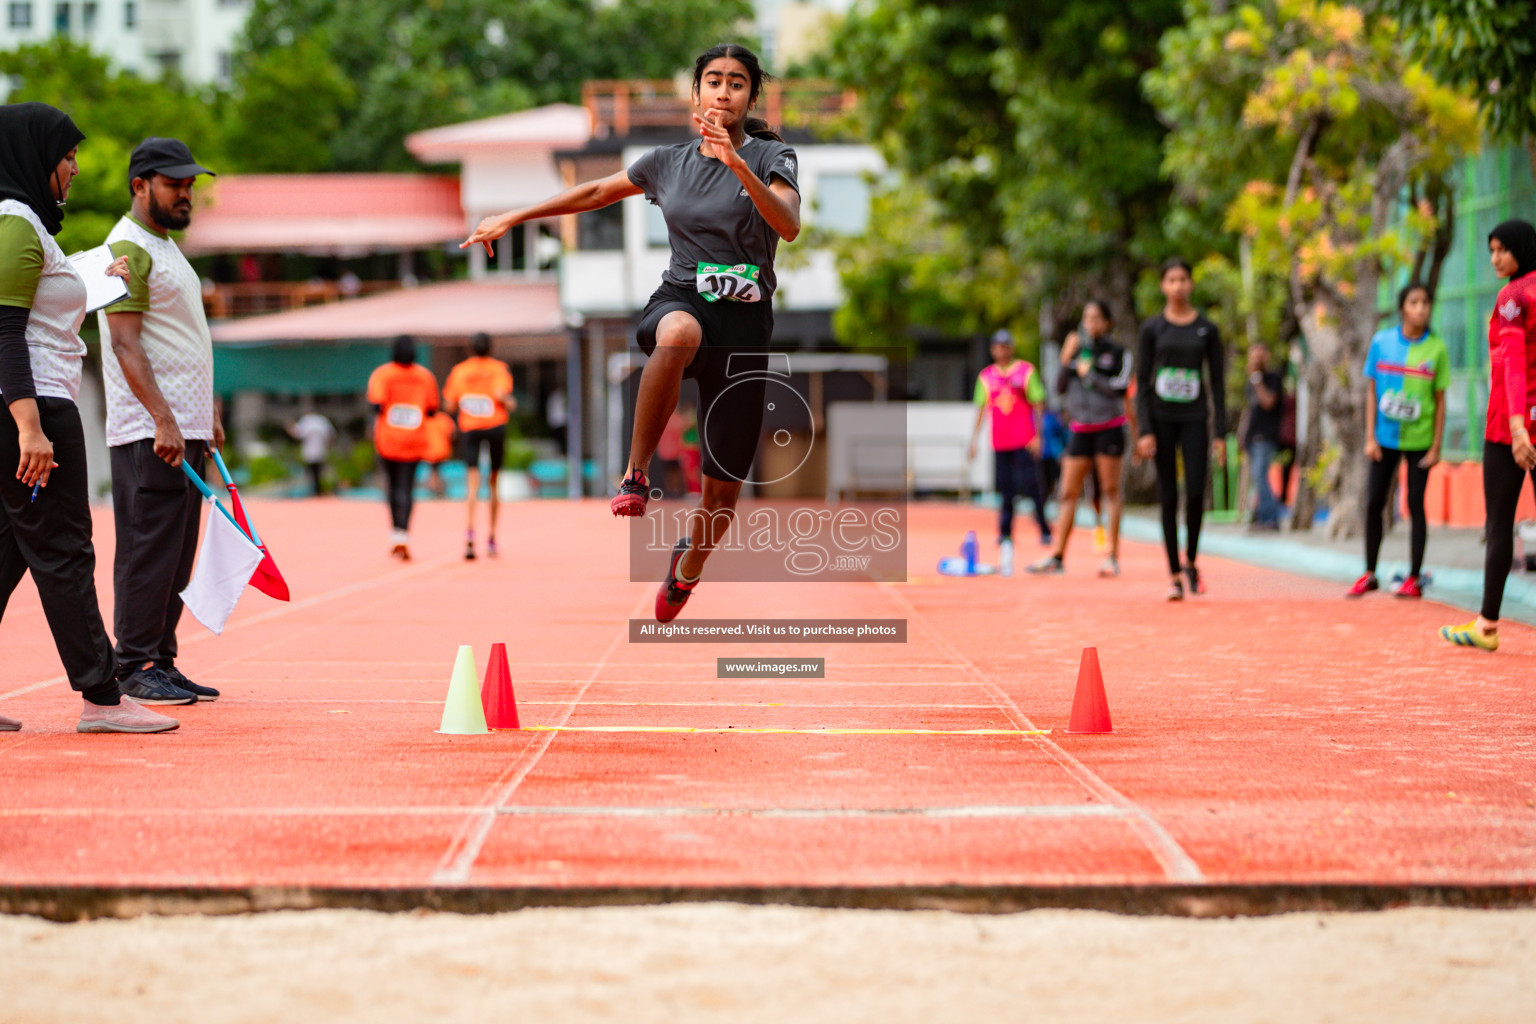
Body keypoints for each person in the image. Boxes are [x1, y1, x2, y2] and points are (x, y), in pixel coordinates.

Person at [463, 43, 800, 622]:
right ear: (696, 93)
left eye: (737, 83)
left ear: (750, 96)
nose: (723, 92)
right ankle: (636, 472)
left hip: (745, 325)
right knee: (675, 334)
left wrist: (737, 163)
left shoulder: (773, 155)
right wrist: (514, 216)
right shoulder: (666, 162)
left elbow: (789, 225)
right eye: (713, 81)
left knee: (721, 502)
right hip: (685, 297)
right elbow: (595, 192)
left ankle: (686, 569)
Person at [0, 102, 177, 733]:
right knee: (66, 552)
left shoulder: (25, 225)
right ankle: (102, 698)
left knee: (13, 550)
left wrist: (96, 271)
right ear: (33, 156)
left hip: (32, 404)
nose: (74, 169)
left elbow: (44, 291)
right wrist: (29, 427)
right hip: (36, 408)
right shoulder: (15, 221)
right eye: (66, 156)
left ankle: (100, 694)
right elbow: (5, 331)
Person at [99, 137, 224, 705]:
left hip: (184, 427)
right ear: (139, 185)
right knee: (148, 547)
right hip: (151, 432)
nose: (186, 194)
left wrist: (207, 411)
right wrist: (164, 419)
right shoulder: (127, 248)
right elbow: (125, 344)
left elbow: (185, 338)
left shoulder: (166, 247)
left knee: (176, 551)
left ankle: (162, 658)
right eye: (175, 184)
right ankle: (133, 664)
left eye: (190, 185)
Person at [1439, 220, 1536, 651]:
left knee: (1498, 525)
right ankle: (1486, 625)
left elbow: (1514, 363)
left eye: (1502, 250)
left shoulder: (1514, 297)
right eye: (1491, 250)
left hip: (1507, 428)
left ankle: (1487, 626)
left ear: (1521, 249)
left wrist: (1518, 429)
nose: (1495, 259)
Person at [1136, 257, 1227, 601]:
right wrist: (1144, 430)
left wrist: (1220, 431)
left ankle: (1191, 560)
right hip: (1160, 420)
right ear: (1163, 286)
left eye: (1183, 280)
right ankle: (1174, 573)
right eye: (1171, 280)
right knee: (1168, 495)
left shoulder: (1207, 329)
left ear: (1191, 285)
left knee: (1193, 492)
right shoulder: (1152, 329)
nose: (1177, 286)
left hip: (1194, 418)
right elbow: (1142, 384)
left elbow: (1217, 382)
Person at [1349, 282, 1448, 598]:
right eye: (1414, 302)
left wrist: (1435, 447)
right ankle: (1369, 573)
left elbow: (1441, 400)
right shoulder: (1382, 342)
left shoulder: (1437, 349)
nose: (1421, 308)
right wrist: (1369, 437)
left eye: (1425, 303)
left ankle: (1415, 578)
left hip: (1419, 440)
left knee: (1416, 505)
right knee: (1374, 503)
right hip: (1384, 438)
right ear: (1402, 307)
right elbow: (1370, 390)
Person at [1029, 300, 1134, 576]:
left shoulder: (1118, 352)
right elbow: (1059, 387)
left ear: (1107, 322)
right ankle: (1058, 555)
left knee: (1110, 491)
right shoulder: (1077, 353)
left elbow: (1121, 388)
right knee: (1067, 492)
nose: (1092, 323)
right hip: (1080, 429)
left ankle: (1112, 556)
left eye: (1097, 317)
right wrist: (1067, 358)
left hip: (1109, 426)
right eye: (1087, 318)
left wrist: (1094, 376)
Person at [968, 329, 1050, 572]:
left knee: (1032, 485)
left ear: (1011, 348)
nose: (1002, 350)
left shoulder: (1026, 371)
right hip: (1000, 441)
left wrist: (1038, 435)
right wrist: (974, 440)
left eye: (1006, 346)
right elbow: (981, 409)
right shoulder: (986, 377)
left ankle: (1044, 529)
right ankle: (1005, 533)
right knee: (1005, 489)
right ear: (993, 349)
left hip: (1024, 439)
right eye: (998, 346)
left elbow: (1038, 403)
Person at [443, 332, 514, 559]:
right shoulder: (499, 369)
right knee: (493, 482)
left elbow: (450, 404)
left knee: (472, 483)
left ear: (470, 349)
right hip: (495, 426)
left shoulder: (460, 371)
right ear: (491, 348)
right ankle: (492, 537)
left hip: (470, 428)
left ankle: (470, 535)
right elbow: (503, 395)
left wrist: (466, 401)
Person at [367, 335, 439, 561]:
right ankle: (404, 534)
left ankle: (396, 532)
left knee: (392, 486)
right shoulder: (424, 376)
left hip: (388, 440)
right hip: (414, 439)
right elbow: (432, 410)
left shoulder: (383, 374)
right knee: (407, 488)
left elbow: (376, 405)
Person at [1242, 344, 1286, 531]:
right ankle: (1261, 515)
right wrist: (1242, 434)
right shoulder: (1250, 382)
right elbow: (1249, 410)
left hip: (1266, 436)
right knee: (1256, 477)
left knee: (1260, 476)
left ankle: (1271, 517)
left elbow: (1268, 402)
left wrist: (1257, 379)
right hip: (1252, 436)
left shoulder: (1273, 378)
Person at [287, 406, 336, 496]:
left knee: (311, 472)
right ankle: (317, 491)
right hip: (320, 450)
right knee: (318, 472)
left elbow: (297, 433)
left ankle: (314, 491)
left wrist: (290, 427)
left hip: (310, 451)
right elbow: (331, 435)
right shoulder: (322, 420)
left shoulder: (307, 420)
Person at [423, 410, 455, 499]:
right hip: (442, 451)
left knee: (433, 472)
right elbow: (452, 433)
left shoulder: (425, 419)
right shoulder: (444, 418)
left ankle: (435, 489)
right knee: (437, 471)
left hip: (429, 452)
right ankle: (438, 488)